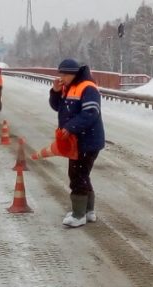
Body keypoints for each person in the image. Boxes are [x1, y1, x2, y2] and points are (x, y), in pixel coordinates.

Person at [48, 59, 105, 228]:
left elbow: (91, 112)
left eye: (64, 75)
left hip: (87, 141)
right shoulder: (69, 87)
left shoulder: (88, 87)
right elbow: (58, 107)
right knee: (82, 174)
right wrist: (55, 92)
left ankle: (78, 215)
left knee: (77, 175)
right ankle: (88, 212)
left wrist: (70, 128)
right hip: (77, 141)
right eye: (61, 74)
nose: (61, 78)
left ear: (73, 73)